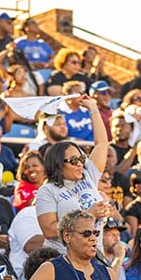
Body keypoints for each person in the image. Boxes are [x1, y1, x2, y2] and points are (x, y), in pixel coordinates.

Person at [34, 98, 110, 251]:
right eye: (74, 160)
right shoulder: (48, 190)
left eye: (81, 158)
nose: (80, 164)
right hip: (64, 259)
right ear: (58, 164)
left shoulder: (88, 175)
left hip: (93, 255)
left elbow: (102, 143)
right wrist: (88, 215)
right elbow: (49, 231)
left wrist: (93, 109)